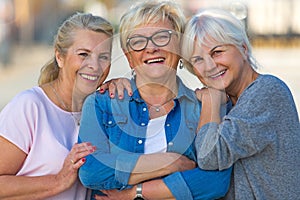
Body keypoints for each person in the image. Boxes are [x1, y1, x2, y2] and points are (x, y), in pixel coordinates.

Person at [78, 1, 232, 200]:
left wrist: (136, 193)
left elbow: (216, 181)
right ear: (128, 57)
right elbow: (91, 171)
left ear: (179, 47)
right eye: (138, 41)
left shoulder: (206, 107)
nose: (151, 48)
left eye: (162, 37)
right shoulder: (102, 103)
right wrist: (171, 163)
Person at [181, 8, 300, 200]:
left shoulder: (267, 92)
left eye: (217, 52)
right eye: (198, 60)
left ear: (243, 48)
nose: (210, 66)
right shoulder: (228, 102)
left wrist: (211, 101)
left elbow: (209, 155)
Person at [0, 12, 113, 199]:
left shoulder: (102, 109)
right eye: (84, 54)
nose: (95, 65)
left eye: (103, 57)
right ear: (60, 57)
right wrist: (58, 180)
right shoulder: (30, 106)